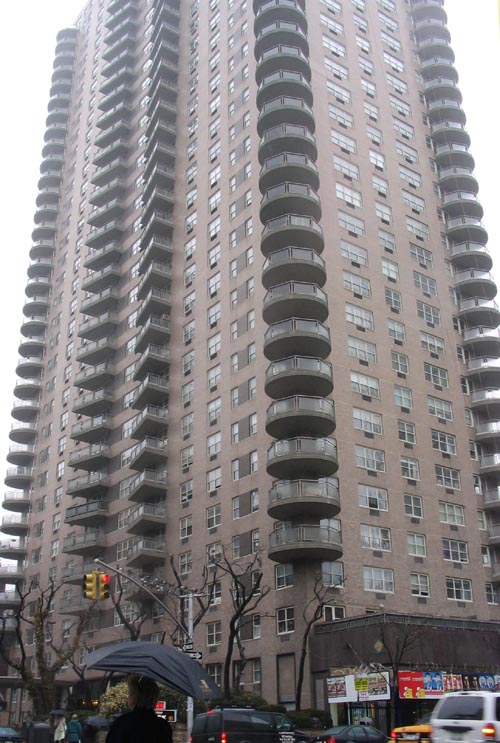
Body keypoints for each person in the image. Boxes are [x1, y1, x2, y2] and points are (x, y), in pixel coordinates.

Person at [106, 675, 173, 743]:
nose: (128, 697)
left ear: (134, 696)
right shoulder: (163, 726)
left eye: (129, 693)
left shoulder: (122, 724)